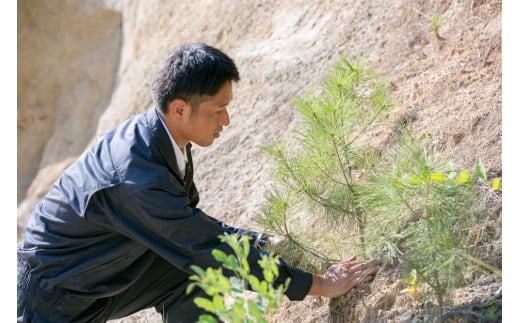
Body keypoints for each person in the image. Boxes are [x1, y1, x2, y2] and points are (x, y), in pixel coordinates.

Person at [17, 43, 381, 323]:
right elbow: (204, 245)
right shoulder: (136, 176)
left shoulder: (163, 139)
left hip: (99, 280)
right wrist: (318, 285)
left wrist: (259, 242)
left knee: (189, 272)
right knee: (201, 260)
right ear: (179, 108)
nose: (227, 119)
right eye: (218, 109)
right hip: (48, 301)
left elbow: (188, 226)